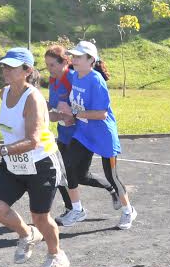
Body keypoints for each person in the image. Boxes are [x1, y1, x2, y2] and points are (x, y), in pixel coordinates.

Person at [0, 47, 70, 267]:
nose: (5, 70)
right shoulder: (4, 92)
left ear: (27, 70)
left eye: (11, 67)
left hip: (41, 164)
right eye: (4, 66)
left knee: (40, 216)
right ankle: (27, 234)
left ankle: (56, 255)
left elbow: (33, 141)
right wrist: (2, 151)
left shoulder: (33, 99)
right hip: (14, 162)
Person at [58, 40, 137, 230]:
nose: (74, 59)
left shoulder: (96, 80)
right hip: (84, 133)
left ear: (90, 60)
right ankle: (77, 210)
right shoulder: (76, 76)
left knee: (112, 176)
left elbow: (101, 113)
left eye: (78, 56)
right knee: (71, 167)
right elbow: (75, 104)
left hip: (103, 136)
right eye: (73, 56)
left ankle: (128, 210)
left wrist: (74, 113)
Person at [44, 44, 119, 223]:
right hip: (63, 132)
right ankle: (74, 207)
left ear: (65, 62)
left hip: (79, 133)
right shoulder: (53, 81)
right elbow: (57, 109)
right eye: (46, 65)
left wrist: (71, 115)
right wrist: (44, 110)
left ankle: (104, 193)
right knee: (65, 173)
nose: (49, 69)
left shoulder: (74, 78)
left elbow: (83, 108)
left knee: (73, 173)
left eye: (52, 65)